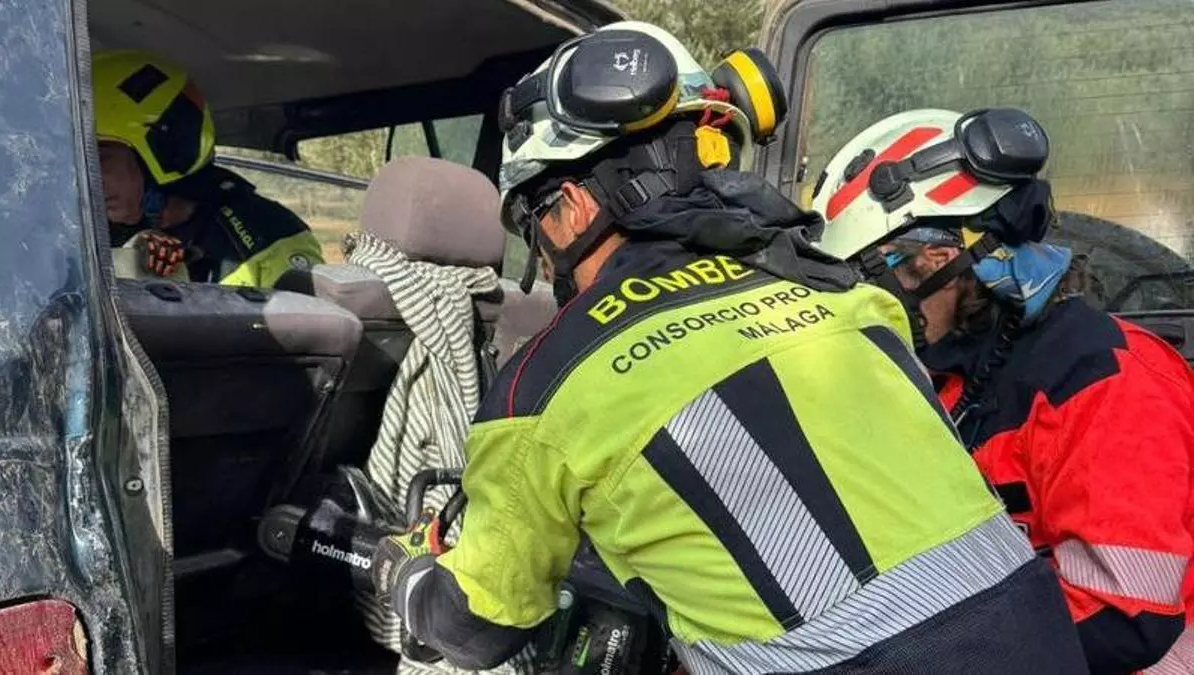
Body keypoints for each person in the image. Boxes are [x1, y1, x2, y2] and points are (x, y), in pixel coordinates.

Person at [366, 24, 1089, 674]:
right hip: (1040, 635)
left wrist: (405, 572)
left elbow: (479, 628)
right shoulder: (848, 297)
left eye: (536, 221)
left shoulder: (546, 387)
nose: (545, 251)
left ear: (574, 207)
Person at [811, 107, 1194, 674]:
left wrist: (914, 658)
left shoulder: (1103, 379)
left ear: (937, 260)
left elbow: (1123, 619)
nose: (867, 307)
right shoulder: (953, 374)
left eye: (872, 281)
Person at [92, 50, 323, 287]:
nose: (86, 180)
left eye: (98, 158)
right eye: (78, 164)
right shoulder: (90, 235)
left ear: (168, 150)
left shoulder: (270, 236)